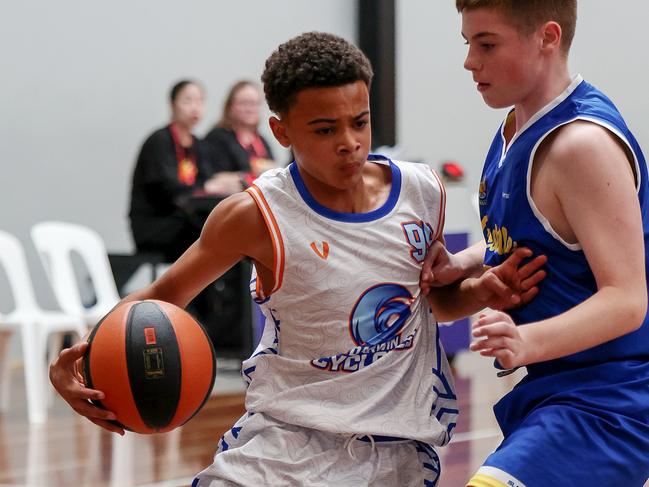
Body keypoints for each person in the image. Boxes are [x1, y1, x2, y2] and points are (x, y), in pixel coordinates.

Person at [50, 32, 542, 486]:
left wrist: (481, 292)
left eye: (361, 122)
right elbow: (162, 298)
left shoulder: (421, 190)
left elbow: (428, 304)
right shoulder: (254, 215)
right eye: (325, 130)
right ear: (281, 132)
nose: (349, 142)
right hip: (286, 443)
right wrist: (86, 358)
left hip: (398, 448)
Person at [424, 2, 649, 486]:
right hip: (557, 390)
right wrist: (462, 265)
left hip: (612, 398)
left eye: (487, 44)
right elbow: (538, 238)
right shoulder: (514, 127)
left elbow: (628, 300)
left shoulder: (580, 145)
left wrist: (526, 340)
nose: (469, 61)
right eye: (468, 44)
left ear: (547, 37)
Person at [129, 79, 218, 261]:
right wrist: (206, 188)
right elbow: (167, 190)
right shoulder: (159, 141)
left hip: (186, 219)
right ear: (172, 105)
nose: (195, 107)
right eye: (188, 101)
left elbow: (207, 181)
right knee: (208, 236)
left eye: (200, 101)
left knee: (222, 230)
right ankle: (198, 290)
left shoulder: (199, 145)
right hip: (157, 223)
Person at [203, 80, 277, 195]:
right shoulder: (217, 138)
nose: (250, 109)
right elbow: (213, 177)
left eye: (254, 103)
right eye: (244, 103)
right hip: (228, 201)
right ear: (230, 106)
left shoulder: (262, 140)